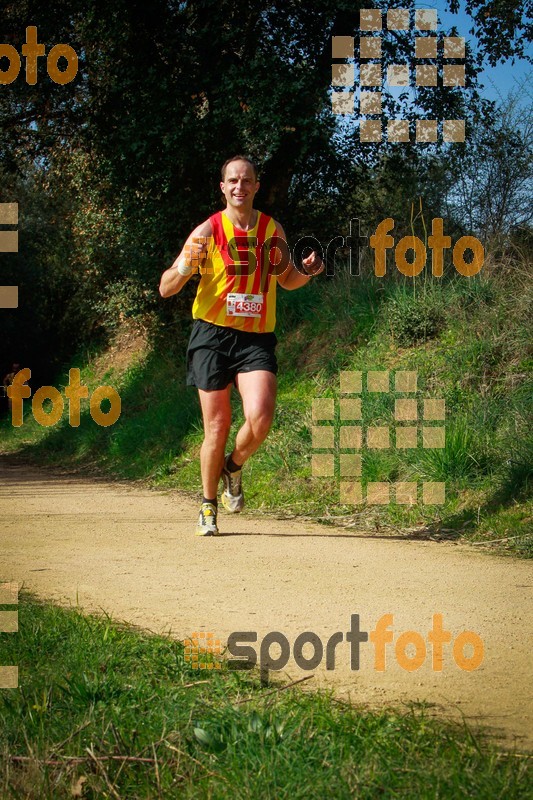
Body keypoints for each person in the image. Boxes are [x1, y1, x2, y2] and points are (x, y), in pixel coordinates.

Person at [159, 156, 324, 535]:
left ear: (256, 186)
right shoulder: (208, 230)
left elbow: (287, 279)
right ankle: (207, 506)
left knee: (261, 417)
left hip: (255, 338)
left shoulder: (270, 230)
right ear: (223, 187)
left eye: (246, 180)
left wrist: (309, 272)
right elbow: (166, 287)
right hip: (211, 337)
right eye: (232, 180)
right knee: (217, 425)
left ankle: (232, 467)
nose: (239, 187)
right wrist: (187, 266)